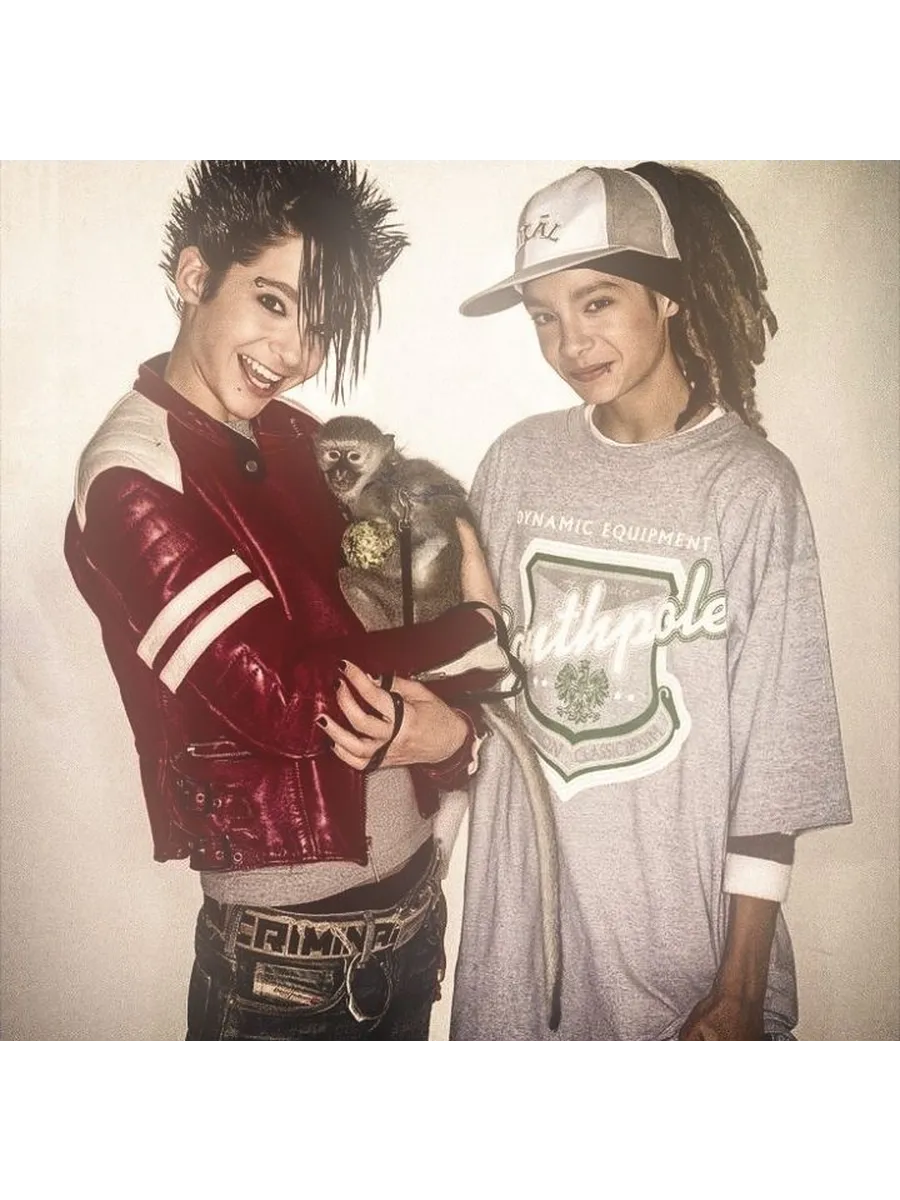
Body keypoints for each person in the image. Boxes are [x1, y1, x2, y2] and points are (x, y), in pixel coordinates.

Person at [64, 160, 507, 1047]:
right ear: (195, 276)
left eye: (320, 327)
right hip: (288, 966)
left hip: (414, 922)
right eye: (273, 302)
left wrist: (453, 729)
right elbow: (295, 700)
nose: (296, 353)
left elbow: (402, 611)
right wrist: (474, 636)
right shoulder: (132, 478)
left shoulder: (301, 437)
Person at [449, 163, 852, 1045]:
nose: (571, 343)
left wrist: (741, 986)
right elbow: (474, 682)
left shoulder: (747, 486)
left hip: (680, 962)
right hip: (522, 953)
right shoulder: (516, 464)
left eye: (597, 302)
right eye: (544, 315)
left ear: (667, 296)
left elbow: (775, 755)